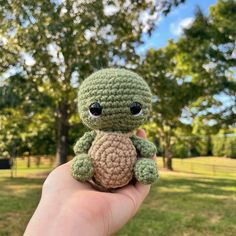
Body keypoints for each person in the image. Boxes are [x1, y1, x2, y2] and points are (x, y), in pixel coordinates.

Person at [24, 130, 153, 236]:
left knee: (144, 165)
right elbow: (80, 147)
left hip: (127, 174)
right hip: (99, 174)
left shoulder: (130, 138)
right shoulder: (95, 135)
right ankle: (83, 165)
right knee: (82, 163)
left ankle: (143, 167)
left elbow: (147, 150)